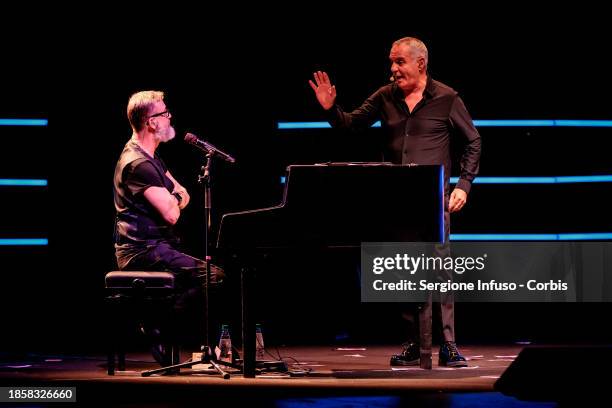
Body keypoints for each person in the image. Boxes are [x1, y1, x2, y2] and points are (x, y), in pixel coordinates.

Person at [309, 37, 481, 367]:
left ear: (420, 63)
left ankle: (448, 345)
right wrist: (331, 109)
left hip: (434, 199)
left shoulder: (447, 98)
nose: (393, 68)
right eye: (391, 61)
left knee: (440, 271)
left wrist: (464, 184)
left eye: (399, 61)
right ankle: (414, 343)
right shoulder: (385, 96)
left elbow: (473, 141)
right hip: (397, 201)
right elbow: (352, 124)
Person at [113, 90, 224, 365]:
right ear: (151, 122)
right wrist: (176, 199)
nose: (169, 117)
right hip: (140, 249)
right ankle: (159, 325)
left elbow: (182, 192)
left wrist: (176, 198)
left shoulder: (150, 155)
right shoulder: (138, 163)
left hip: (155, 245)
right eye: (164, 113)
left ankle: (166, 327)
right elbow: (173, 211)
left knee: (206, 272)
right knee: (213, 276)